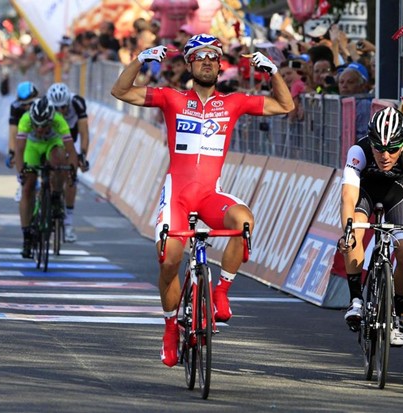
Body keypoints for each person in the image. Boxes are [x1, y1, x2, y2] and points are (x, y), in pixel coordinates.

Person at [110, 34, 294, 367]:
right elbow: (120, 91)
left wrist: (274, 72)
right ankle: (169, 327)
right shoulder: (171, 98)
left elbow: (285, 105)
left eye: (213, 57)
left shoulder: (233, 102)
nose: (207, 62)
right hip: (177, 196)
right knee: (169, 261)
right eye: (199, 57)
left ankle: (221, 291)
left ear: (220, 64)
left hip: (210, 194)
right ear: (189, 64)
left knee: (244, 222)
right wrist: (140, 59)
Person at [337, 107, 403, 347]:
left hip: (398, 194)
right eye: (379, 148)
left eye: (392, 149)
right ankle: (355, 301)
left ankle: (397, 313)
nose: (385, 155)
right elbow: (348, 197)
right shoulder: (358, 151)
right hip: (366, 192)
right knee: (356, 229)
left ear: (402, 145)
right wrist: (347, 232)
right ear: (370, 143)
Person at [16, 97, 79, 258]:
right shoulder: (25, 120)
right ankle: (26, 236)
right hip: (33, 147)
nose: (39, 129)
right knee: (28, 187)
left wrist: (72, 172)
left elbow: (71, 151)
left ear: (51, 121)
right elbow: (19, 150)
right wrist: (20, 172)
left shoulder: (59, 121)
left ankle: (56, 196)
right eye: (36, 125)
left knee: (59, 161)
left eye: (44, 126)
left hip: (52, 143)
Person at [46, 83, 90, 242]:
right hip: (52, 136)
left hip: (70, 135)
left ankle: (69, 223)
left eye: (63, 107)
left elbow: (84, 133)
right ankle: (48, 199)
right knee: (51, 168)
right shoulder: (46, 106)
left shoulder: (77, 103)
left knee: (72, 174)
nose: (60, 112)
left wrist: (83, 155)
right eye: (56, 109)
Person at [7, 81, 39, 202]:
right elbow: (13, 132)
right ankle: (22, 182)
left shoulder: (44, 104)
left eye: (30, 104)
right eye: (23, 104)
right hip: (26, 132)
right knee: (20, 151)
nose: (27, 107)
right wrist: (11, 152)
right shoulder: (15, 107)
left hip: (42, 134)